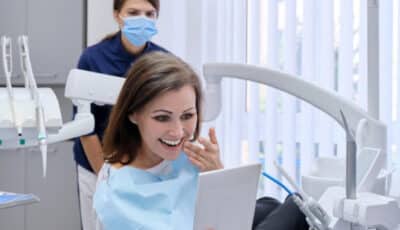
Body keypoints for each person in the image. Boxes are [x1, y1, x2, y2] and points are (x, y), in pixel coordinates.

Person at [93, 51, 310, 230]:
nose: (178, 132)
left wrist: (217, 173)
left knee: (271, 205)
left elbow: (227, 213)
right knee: (298, 207)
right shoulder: (115, 193)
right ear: (133, 114)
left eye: (187, 116)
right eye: (162, 118)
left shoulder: (189, 159)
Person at [73, 0, 167, 229]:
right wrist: (107, 178)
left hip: (144, 169)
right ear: (117, 15)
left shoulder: (164, 62)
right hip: (97, 164)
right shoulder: (92, 59)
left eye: (149, 13)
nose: (142, 19)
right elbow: (86, 127)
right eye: (133, 13)